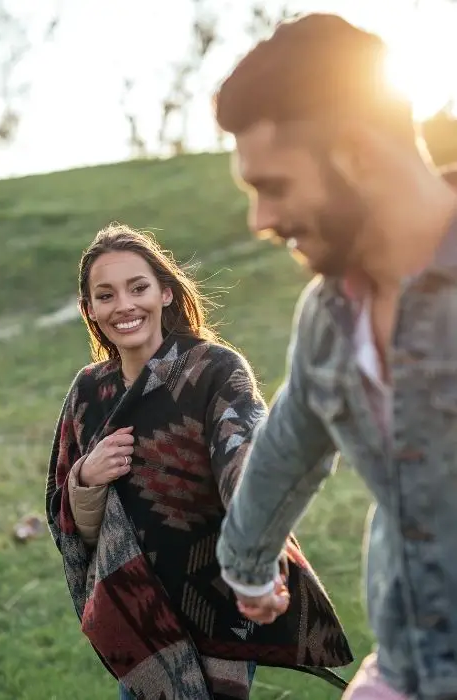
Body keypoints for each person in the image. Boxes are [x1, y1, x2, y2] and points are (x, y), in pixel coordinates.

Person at [212, 12, 457, 700]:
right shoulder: (330, 314)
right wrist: (247, 567)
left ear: (355, 153)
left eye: (274, 186)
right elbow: (289, 441)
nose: (259, 220)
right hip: (408, 665)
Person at [45, 223, 352, 700]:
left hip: (217, 601)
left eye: (138, 287)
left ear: (165, 292)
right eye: (105, 295)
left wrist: (260, 556)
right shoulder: (89, 392)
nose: (124, 305)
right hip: (136, 610)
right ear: (89, 309)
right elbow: (67, 522)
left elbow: (244, 462)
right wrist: (86, 478)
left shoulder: (214, 371)